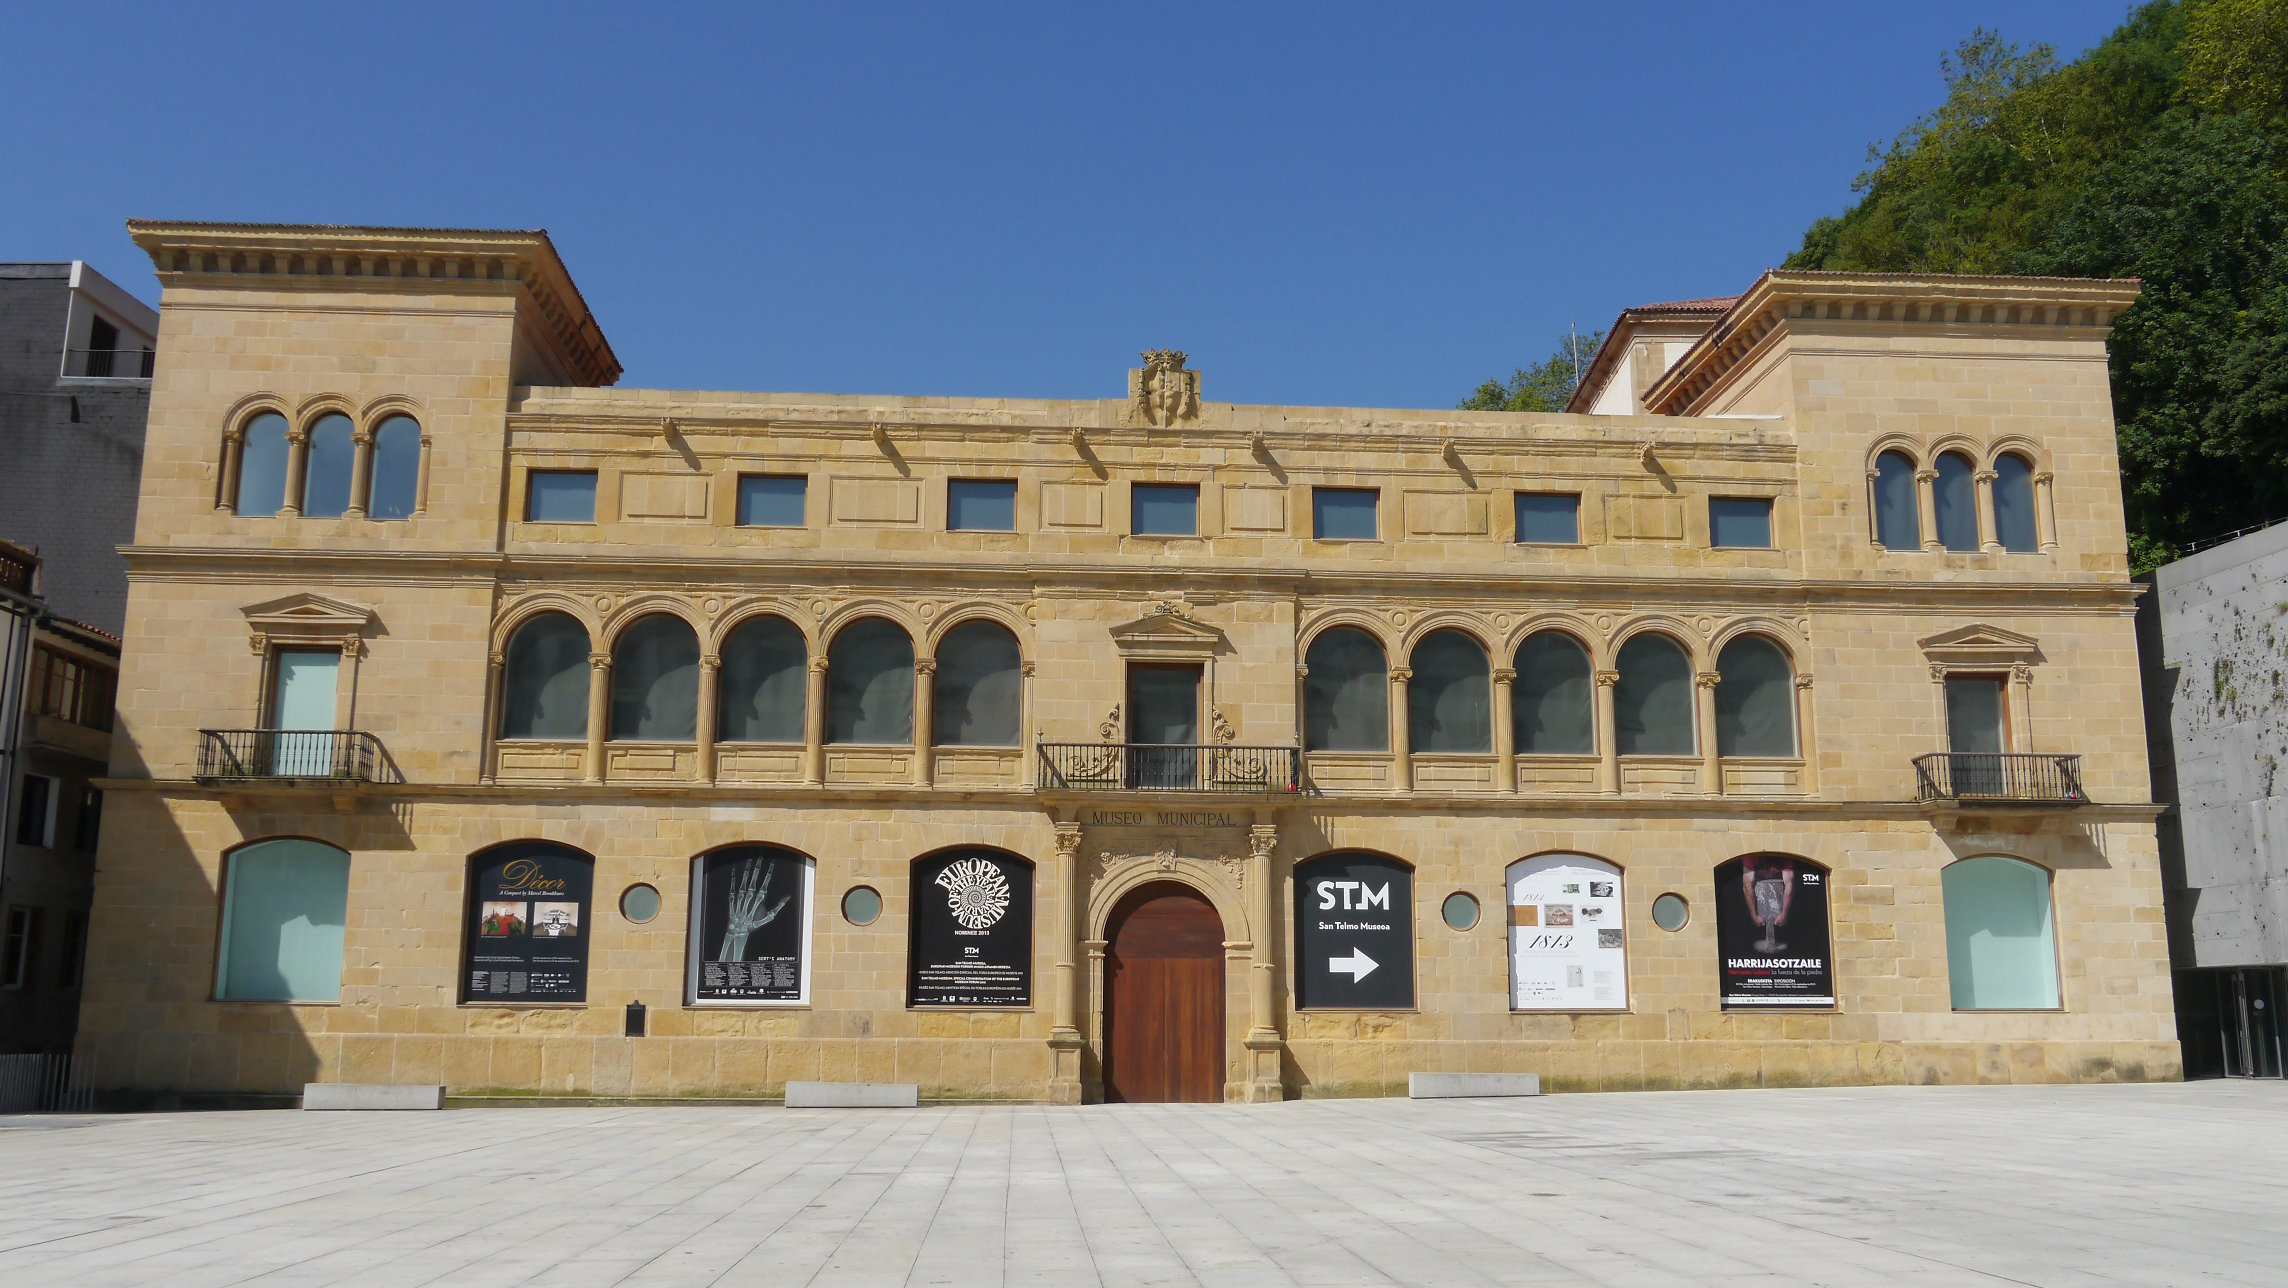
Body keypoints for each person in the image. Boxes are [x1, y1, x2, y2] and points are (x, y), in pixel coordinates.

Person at [1742, 857, 1794, 953]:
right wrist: (1754, 914)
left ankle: (1773, 941)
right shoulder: (1751, 857)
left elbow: (1789, 883)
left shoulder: (1784, 856)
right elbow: (1747, 885)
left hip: (1778, 884)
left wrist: (1784, 913)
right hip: (1759, 885)